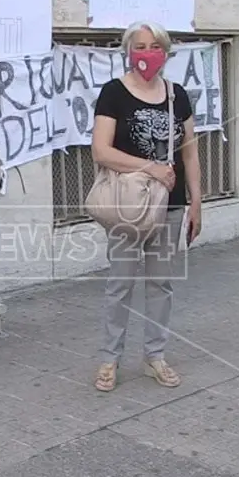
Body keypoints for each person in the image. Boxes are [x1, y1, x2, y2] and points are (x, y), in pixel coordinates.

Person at [90, 21, 202, 393]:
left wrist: (196, 201)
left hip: (168, 205)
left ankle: (155, 355)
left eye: (154, 46)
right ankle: (110, 358)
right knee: (120, 283)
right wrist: (150, 167)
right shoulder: (114, 93)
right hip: (127, 204)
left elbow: (190, 151)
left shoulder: (178, 95)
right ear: (128, 51)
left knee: (161, 283)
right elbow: (101, 150)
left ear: (166, 53)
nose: (146, 53)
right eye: (139, 46)